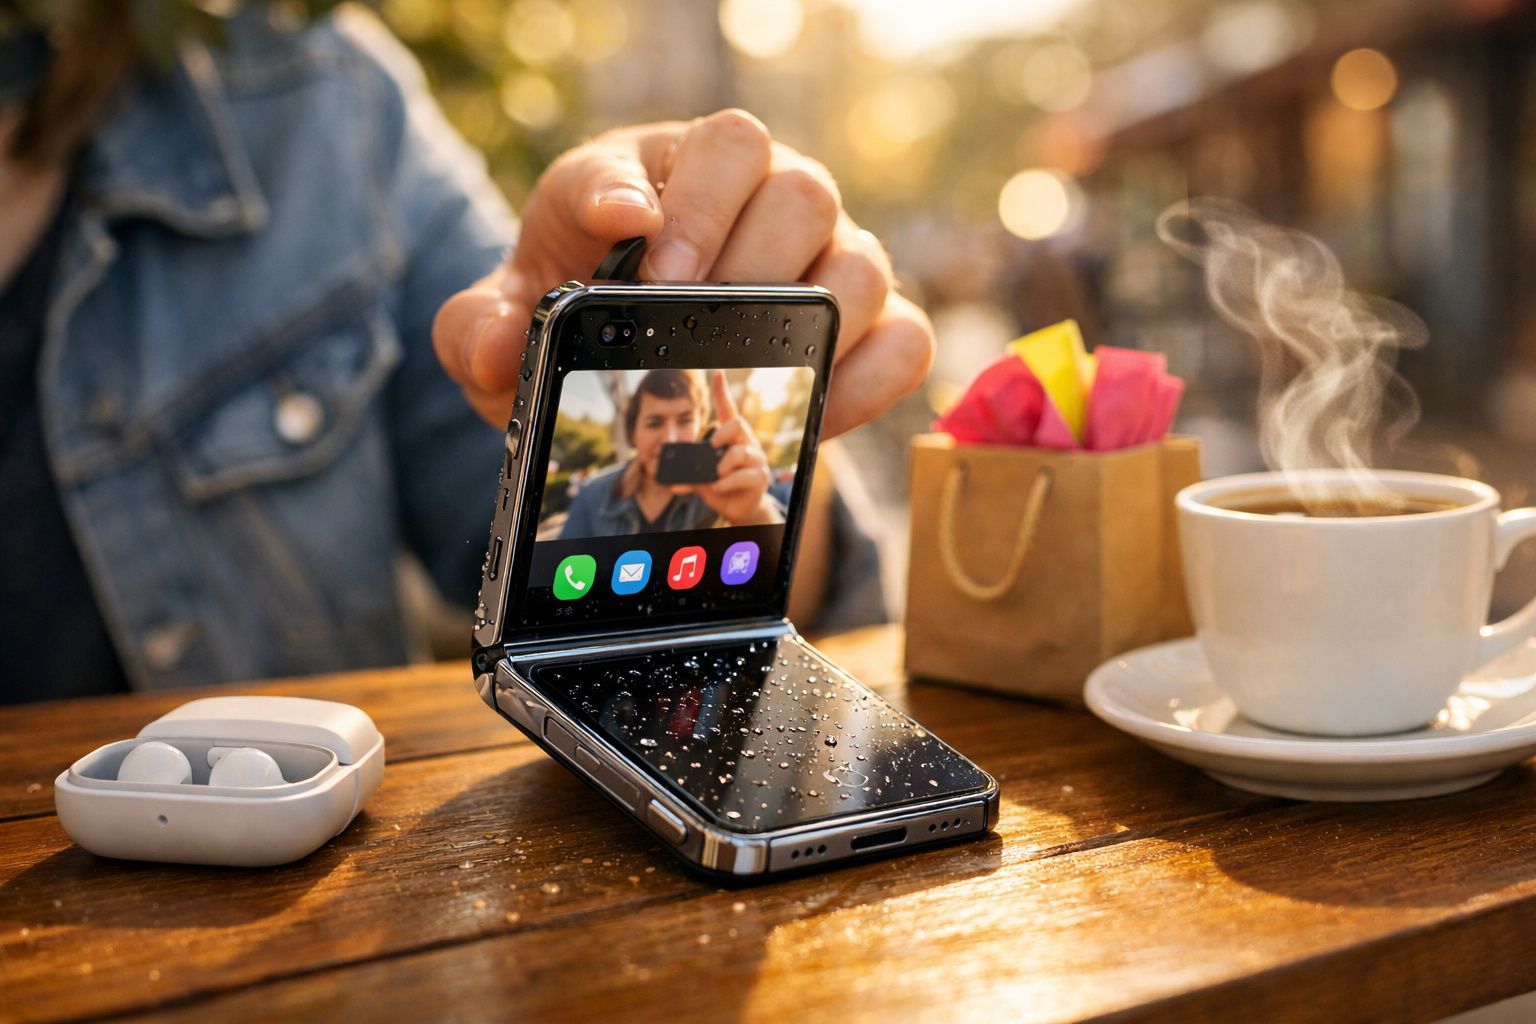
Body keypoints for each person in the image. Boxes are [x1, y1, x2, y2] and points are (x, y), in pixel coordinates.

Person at [0, 5, 933, 703]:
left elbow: (605, 650)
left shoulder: (329, 106)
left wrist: (753, 480)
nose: (663, 437)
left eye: (666, 422)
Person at [559, 369, 782, 539]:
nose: (670, 439)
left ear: (701, 425)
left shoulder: (724, 487)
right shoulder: (593, 495)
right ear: (633, 433)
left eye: (685, 421)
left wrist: (754, 513)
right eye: (654, 423)